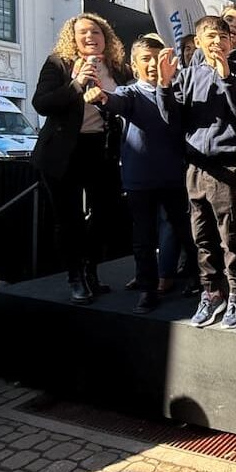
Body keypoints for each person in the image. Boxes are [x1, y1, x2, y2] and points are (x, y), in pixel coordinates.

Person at [156, 15, 236, 329]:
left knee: (233, 239)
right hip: (196, 168)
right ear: (197, 42)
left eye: (223, 36)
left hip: (228, 168)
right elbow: (173, 120)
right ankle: (211, 292)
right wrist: (163, 85)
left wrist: (226, 77)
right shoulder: (187, 75)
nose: (218, 41)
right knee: (202, 239)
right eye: (211, 36)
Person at [31, 13, 132, 304]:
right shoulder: (57, 63)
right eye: (82, 33)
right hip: (62, 153)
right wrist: (76, 84)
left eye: (96, 32)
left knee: (106, 214)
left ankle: (91, 270)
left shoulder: (119, 69)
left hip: (101, 150)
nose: (90, 37)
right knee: (69, 219)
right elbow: (41, 103)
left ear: (106, 37)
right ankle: (75, 277)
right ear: (72, 39)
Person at [90, 35, 191, 314]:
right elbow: (113, 102)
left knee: (184, 231)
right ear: (134, 65)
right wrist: (100, 96)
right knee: (143, 238)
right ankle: (147, 289)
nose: (152, 65)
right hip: (140, 180)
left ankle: (196, 280)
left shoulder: (176, 91)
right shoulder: (129, 93)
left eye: (157, 59)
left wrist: (166, 85)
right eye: (145, 59)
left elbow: (174, 117)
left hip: (173, 177)